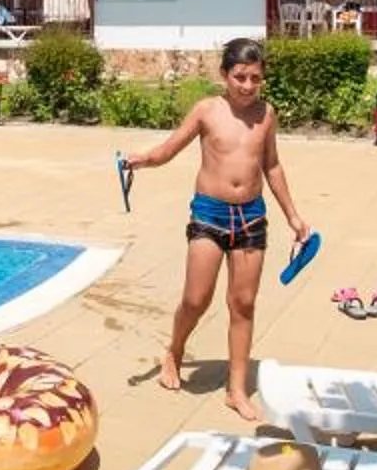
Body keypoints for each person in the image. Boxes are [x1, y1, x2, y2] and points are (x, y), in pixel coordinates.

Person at [120, 37, 311, 422]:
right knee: (196, 299)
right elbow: (171, 148)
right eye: (240, 76)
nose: (247, 85)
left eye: (255, 78)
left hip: (252, 217)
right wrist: (142, 159)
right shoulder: (207, 110)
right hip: (209, 214)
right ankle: (174, 351)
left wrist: (292, 215)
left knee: (243, 304)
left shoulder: (266, 114)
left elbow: (272, 165)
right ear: (224, 74)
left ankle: (236, 388)